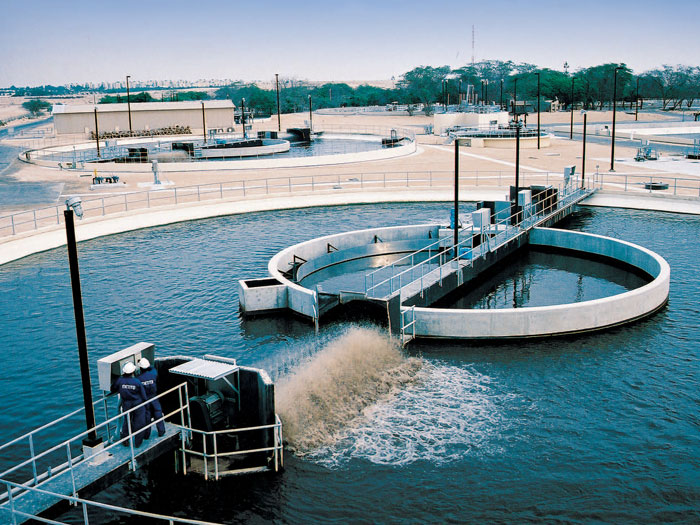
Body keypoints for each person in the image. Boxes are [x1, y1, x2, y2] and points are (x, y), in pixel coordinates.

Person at [111, 361, 148, 447]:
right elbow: (144, 395)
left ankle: (125, 440)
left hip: (126, 404)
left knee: (126, 422)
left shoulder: (120, 381)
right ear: (133, 371)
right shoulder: (137, 382)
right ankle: (138, 442)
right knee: (139, 422)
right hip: (138, 404)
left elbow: (113, 388)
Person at [138, 358, 166, 438]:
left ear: (140, 368)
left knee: (147, 416)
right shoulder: (153, 373)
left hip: (145, 400)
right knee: (158, 412)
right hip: (154, 397)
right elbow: (153, 368)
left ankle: (146, 435)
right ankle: (161, 431)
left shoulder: (138, 379)